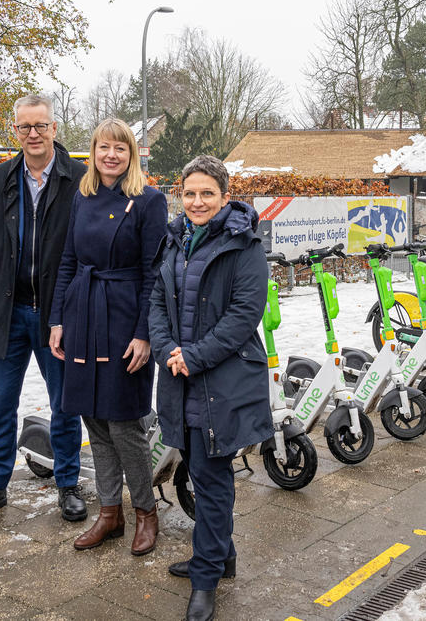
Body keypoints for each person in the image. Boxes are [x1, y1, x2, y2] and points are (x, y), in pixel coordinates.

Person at [147, 155, 274, 621]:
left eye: (207, 193)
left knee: (211, 478)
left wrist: (193, 356)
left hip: (221, 378)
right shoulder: (175, 239)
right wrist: (165, 349)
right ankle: (223, 556)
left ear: (224, 196)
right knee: (200, 468)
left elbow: (243, 315)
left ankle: (206, 579)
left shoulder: (245, 245)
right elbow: (157, 300)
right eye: (189, 192)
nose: (197, 201)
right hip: (181, 375)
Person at [0, 94, 87, 523]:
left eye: (40, 126)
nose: (33, 134)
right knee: (0, 404)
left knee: (64, 404)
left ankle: (67, 483)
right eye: (24, 127)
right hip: (6, 311)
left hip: (57, 316)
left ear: (54, 129)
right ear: (15, 131)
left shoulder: (79, 179)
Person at [49, 118, 167, 556]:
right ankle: (109, 514)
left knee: (124, 423)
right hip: (82, 314)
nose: (111, 155)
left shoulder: (149, 201)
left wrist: (145, 335)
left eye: (120, 148)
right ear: (92, 153)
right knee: (94, 422)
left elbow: (155, 274)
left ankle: (145, 512)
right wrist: (58, 320)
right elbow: (67, 260)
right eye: (103, 147)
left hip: (123, 317)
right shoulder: (83, 197)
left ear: (131, 154)